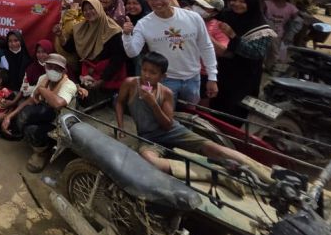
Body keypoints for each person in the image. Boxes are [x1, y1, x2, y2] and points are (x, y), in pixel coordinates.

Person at [116, 51, 272, 191]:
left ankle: (270, 176)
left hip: (172, 132)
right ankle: (218, 175)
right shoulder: (130, 83)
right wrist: (121, 126)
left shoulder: (166, 93)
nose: (147, 76)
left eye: (153, 73)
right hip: (147, 137)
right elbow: (119, 102)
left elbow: (167, 125)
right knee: (151, 162)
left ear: (163, 77)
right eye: (144, 70)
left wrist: (153, 103)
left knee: (217, 149)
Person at [122, 0, 217, 106]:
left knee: (190, 113)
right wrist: (127, 35)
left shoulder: (193, 17)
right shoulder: (143, 24)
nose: (157, 2)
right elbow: (132, 52)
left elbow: (206, 46)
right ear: (147, 0)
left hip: (193, 78)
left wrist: (212, 77)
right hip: (165, 79)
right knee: (164, 116)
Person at [1, 53, 85, 171]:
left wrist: (41, 89)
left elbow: (58, 103)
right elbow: (31, 100)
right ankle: (39, 143)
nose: (53, 70)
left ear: (63, 70)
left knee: (31, 129)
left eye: (57, 68)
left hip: (59, 122)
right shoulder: (43, 78)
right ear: (45, 67)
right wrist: (9, 116)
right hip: (44, 114)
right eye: (50, 67)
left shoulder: (69, 85)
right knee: (21, 117)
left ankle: (42, 152)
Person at [211, 0, 276, 120]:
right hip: (221, 70)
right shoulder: (225, 15)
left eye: (242, 1)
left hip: (243, 77)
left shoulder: (261, 28)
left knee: (234, 110)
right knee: (215, 104)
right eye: (234, 0)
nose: (237, 4)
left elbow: (256, 53)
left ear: (251, 4)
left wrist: (233, 36)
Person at [63, 0, 127, 104]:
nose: (88, 12)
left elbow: (118, 58)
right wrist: (60, 35)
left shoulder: (112, 30)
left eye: (91, 8)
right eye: (85, 10)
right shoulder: (81, 28)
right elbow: (70, 48)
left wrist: (102, 80)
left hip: (108, 77)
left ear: (99, 9)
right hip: (87, 76)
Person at [190, 0, 229, 105]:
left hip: (203, 73)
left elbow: (222, 51)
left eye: (203, 7)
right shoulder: (186, 19)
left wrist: (205, 34)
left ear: (215, 12)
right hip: (184, 69)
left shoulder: (219, 26)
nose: (197, 7)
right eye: (197, 4)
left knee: (201, 106)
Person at [54, 0, 93, 72]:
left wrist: (72, 11)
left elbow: (71, 29)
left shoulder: (87, 13)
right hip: (61, 51)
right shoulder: (75, 9)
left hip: (71, 56)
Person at [262, 0, 299, 65]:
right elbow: (261, 14)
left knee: (275, 49)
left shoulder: (291, 8)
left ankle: (272, 65)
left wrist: (290, 33)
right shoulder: (267, 4)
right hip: (265, 29)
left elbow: (297, 20)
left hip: (279, 32)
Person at [123, 0, 152, 75]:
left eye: (135, 3)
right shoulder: (125, 18)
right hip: (129, 62)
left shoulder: (148, 20)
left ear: (142, 4)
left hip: (145, 63)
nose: (131, 6)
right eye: (128, 3)